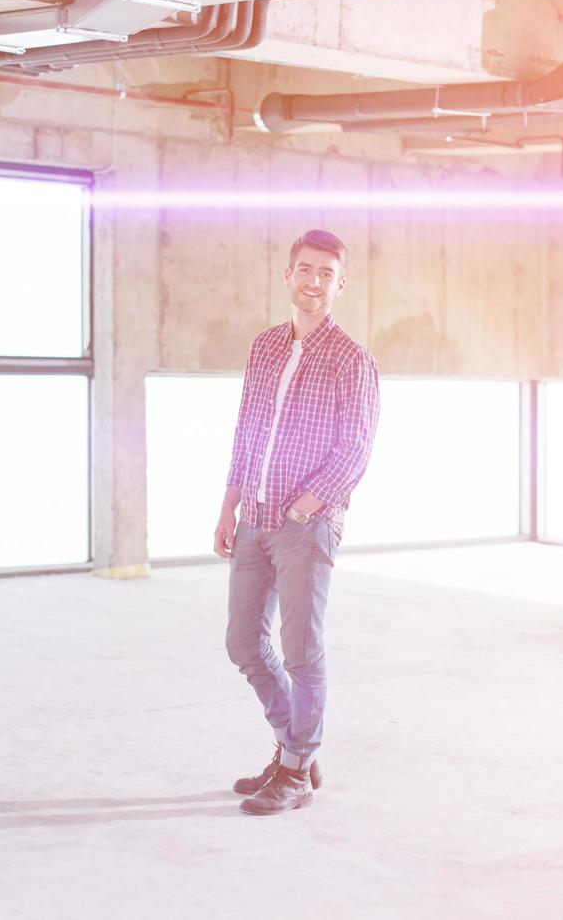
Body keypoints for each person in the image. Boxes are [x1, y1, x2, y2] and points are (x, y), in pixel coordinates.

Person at [214, 228, 380, 816]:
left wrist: (308, 504)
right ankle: (297, 753)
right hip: (254, 517)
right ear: (289, 275)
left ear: (340, 284)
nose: (313, 282)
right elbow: (246, 429)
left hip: (305, 525)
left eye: (325, 274)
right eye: (304, 270)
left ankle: (293, 768)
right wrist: (228, 504)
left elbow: (357, 446)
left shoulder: (352, 358)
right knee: (242, 642)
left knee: (301, 651)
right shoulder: (264, 348)